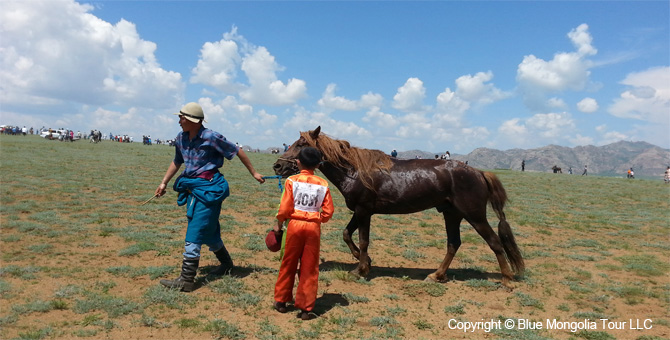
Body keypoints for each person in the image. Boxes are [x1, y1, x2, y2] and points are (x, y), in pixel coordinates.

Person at [155, 102, 265, 292]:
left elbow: (237, 150)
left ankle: (187, 279)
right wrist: (164, 182)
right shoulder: (180, 138)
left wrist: (254, 173)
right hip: (194, 188)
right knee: (209, 230)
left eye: (182, 117)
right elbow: (177, 161)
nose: (179, 121)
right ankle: (227, 265)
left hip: (210, 189)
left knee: (196, 229)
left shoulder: (211, 137)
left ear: (193, 121)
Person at [273, 147, 334, 320]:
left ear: (298, 162)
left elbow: (284, 208)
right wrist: (318, 218)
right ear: (318, 165)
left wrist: (279, 224)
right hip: (313, 227)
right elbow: (329, 211)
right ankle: (306, 308)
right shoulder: (323, 184)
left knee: (288, 263)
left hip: (294, 225)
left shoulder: (292, 181)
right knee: (310, 267)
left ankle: (282, 301)